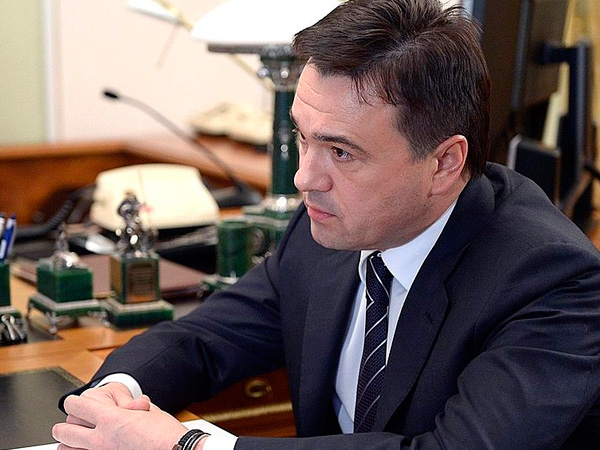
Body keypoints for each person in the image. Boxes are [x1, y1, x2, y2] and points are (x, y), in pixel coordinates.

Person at [52, 0, 600, 449]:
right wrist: (116, 393)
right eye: (303, 137)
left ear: (444, 163)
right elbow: (207, 337)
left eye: (341, 151)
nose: (305, 178)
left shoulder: (553, 281)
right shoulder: (331, 225)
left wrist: (188, 446)